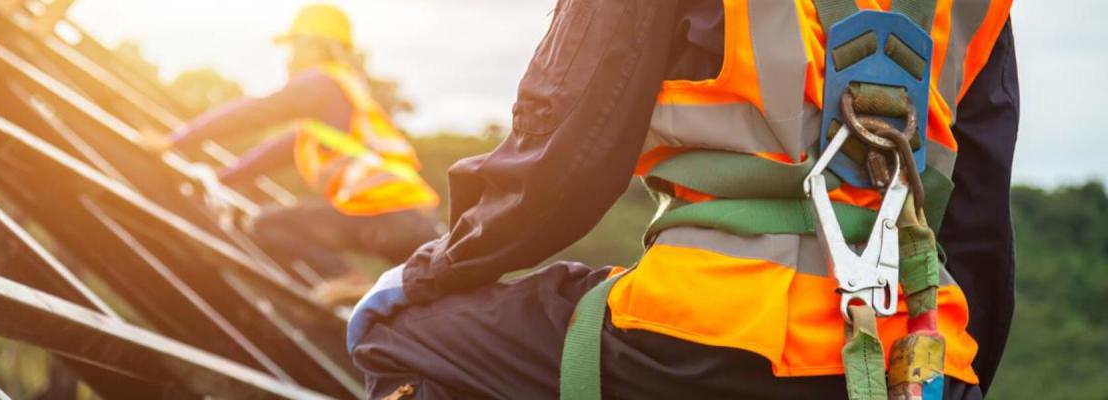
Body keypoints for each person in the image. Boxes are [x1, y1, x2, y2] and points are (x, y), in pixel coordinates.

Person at [346, 0, 1018, 399]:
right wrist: (947, 375)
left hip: (709, 335)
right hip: (917, 357)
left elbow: (561, 166)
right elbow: (979, 220)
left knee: (400, 339)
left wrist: (429, 273)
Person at [155, 4, 441, 288]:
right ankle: (344, 291)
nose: (289, 58)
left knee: (267, 224)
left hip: (381, 214)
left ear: (317, 46)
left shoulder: (321, 82)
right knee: (421, 301)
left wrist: (174, 140)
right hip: (413, 223)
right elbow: (267, 157)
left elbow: (254, 112)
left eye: (294, 46)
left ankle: (344, 278)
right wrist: (220, 178)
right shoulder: (336, 111)